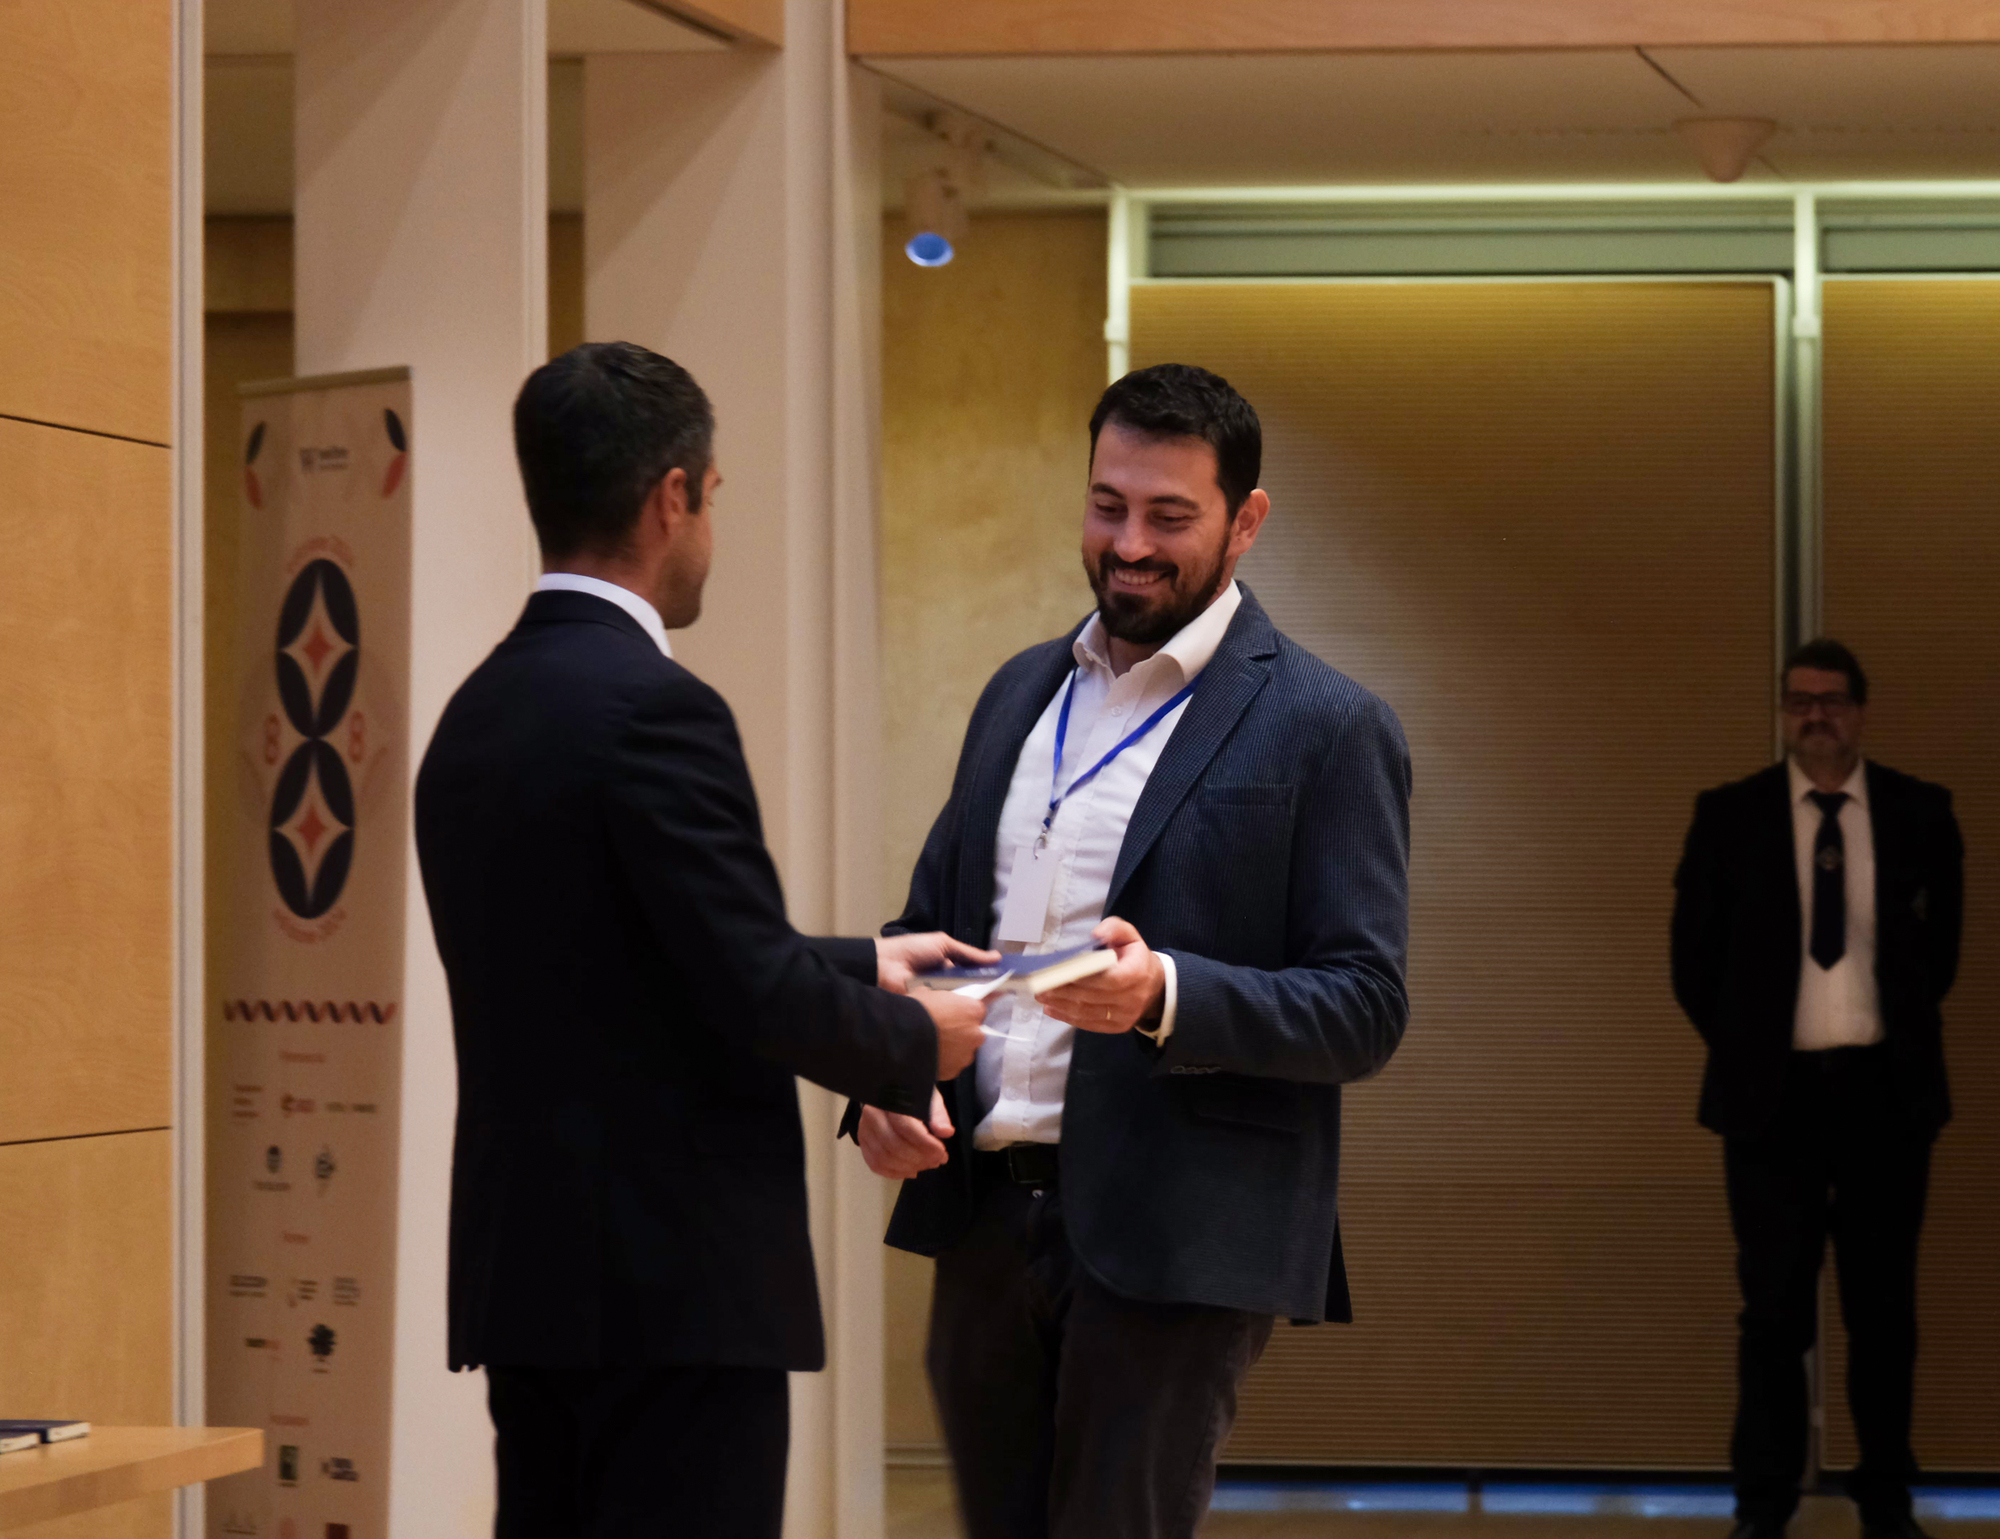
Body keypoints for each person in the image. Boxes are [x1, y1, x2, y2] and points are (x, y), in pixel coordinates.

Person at [413, 342, 991, 1539]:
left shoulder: (475, 713)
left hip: (533, 1283)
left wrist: (862, 962)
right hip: (670, 1289)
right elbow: (748, 985)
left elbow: (619, 960)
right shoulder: (656, 708)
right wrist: (913, 1040)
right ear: (671, 495)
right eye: (714, 496)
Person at [845, 363, 1413, 1539]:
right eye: (1107, 506)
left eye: (1169, 516)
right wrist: (886, 1078)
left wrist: (1166, 993)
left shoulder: (1327, 726)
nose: (1129, 545)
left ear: (1244, 521)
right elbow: (927, 931)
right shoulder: (1017, 692)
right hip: (983, 1222)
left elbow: (1362, 1005)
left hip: (1174, 1241)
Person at [1673, 639, 1963, 1539]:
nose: (1816, 716)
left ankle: (1887, 1502)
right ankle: (1763, 1507)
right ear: (1783, 712)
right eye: (1800, 700)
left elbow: (1939, 958)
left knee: (1884, 1314)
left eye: (1832, 700)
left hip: (1886, 1099)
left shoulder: (1921, 812)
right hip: (1772, 1105)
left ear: (1860, 710)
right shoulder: (1730, 816)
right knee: (1773, 1315)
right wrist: (1754, 1047)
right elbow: (1693, 963)